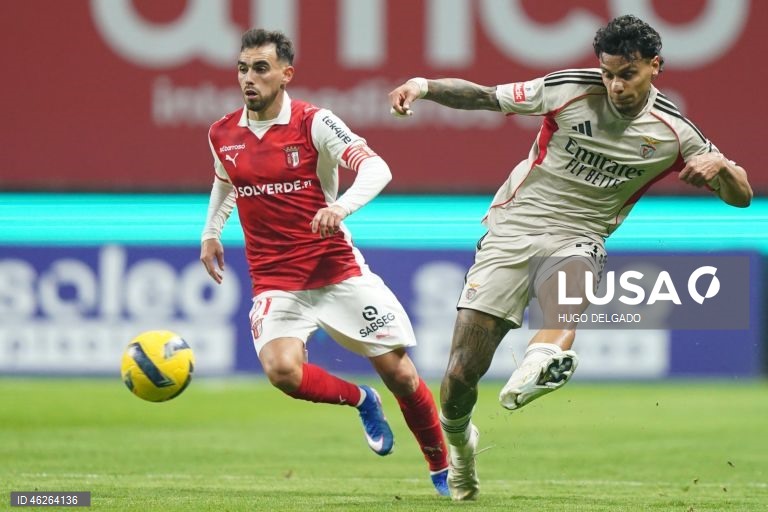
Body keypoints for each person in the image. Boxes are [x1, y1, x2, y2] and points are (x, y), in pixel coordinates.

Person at [389, 14, 752, 501]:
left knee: (567, 295)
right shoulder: (568, 89)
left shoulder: (676, 132)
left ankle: (544, 359)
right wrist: (423, 85)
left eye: (628, 74)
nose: (616, 86)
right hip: (513, 229)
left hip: (581, 235)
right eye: (608, 73)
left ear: (655, 66)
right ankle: (461, 445)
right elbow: (485, 96)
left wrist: (722, 165)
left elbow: (741, 197)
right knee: (458, 375)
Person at [200, 28, 449, 496]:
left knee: (400, 373)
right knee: (283, 372)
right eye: (242, 68)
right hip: (275, 279)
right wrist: (211, 232)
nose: (248, 78)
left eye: (260, 68)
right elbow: (225, 180)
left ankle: (440, 466)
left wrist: (340, 207)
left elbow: (377, 167)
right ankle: (362, 400)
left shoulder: (315, 122)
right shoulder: (221, 133)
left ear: (286, 74)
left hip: (335, 271)